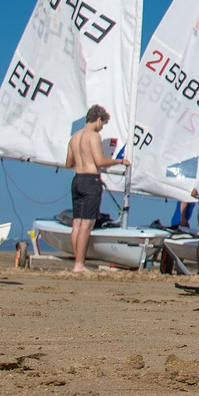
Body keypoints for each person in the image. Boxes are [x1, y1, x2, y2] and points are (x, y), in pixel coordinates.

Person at [67, 104, 127, 273]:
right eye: (103, 124)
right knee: (87, 224)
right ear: (98, 119)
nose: (102, 128)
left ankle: (76, 263)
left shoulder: (74, 137)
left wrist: (81, 160)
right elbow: (100, 161)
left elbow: (68, 163)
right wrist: (120, 161)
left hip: (77, 179)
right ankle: (80, 265)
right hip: (90, 179)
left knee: (77, 223)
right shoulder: (93, 136)